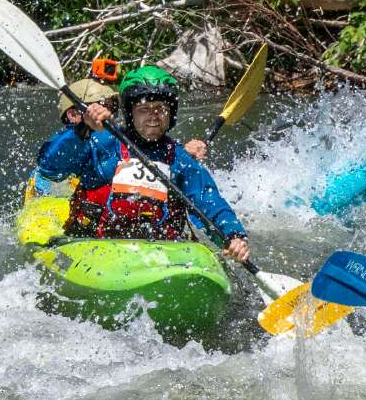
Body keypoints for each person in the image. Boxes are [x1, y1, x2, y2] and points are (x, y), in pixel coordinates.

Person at [38, 65, 249, 261]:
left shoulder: (180, 159)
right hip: (92, 246)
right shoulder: (102, 142)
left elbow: (208, 201)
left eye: (160, 108)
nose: (153, 116)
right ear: (130, 113)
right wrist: (83, 128)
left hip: (160, 252)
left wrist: (233, 236)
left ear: (171, 113)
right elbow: (49, 167)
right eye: (144, 109)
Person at [26, 78, 119, 200]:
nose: (107, 113)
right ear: (73, 115)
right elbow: (49, 169)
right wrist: (85, 128)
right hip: (56, 205)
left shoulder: (117, 135)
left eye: (112, 108)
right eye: (100, 107)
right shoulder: (66, 143)